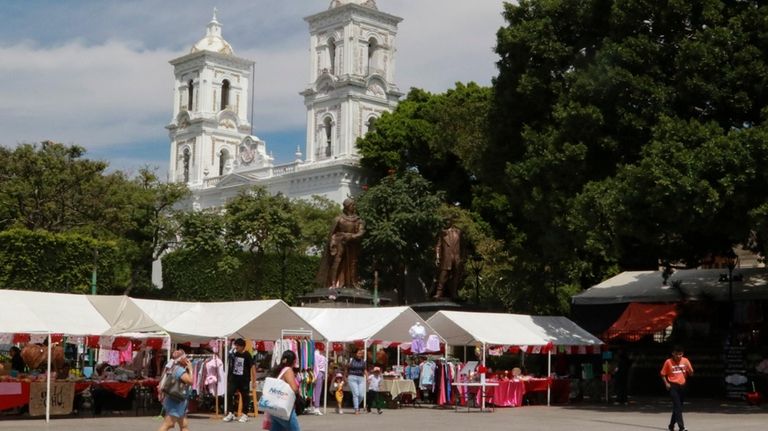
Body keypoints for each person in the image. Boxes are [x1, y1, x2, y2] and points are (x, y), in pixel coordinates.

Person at [317, 198, 365, 289]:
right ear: (347, 207)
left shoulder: (358, 220)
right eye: (352, 205)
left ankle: (353, 283)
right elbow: (332, 234)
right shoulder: (339, 219)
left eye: (354, 205)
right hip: (339, 244)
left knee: (353, 263)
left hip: (352, 245)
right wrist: (333, 243)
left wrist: (351, 236)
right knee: (337, 262)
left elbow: (361, 232)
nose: (354, 207)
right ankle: (333, 283)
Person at [157, 350, 193, 431]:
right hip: (176, 401)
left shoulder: (172, 367)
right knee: (168, 424)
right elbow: (190, 381)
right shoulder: (179, 370)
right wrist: (191, 369)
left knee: (184, 425)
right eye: (185, 358)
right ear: (181, 359)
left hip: (177, 400)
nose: (187, 360)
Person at [660, 346, 694, 431]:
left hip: (682, 385)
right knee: (678, 406)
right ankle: (681, 427)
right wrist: (666, 383)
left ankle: (671, 425)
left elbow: (691, 373)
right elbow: (663, 374)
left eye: (680, 354)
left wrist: (689, 370)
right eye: (676, 354)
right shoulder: (668, 362)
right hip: (673, 386)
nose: (678, 356)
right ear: (673, 353)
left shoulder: (685, 360)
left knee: (678, 407)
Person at [223, 338, 254, 423]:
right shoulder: (234, 354)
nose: (236, 347)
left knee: (245, 396)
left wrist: (254, 381)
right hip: (234, 378)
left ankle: (245, 414)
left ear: (242, 346)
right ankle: (231, 413)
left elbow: (253, 367)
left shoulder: (247, 355)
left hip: (244, 379)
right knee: (229, 393)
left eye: (238, 345)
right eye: (235, 345)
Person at [269, 350, 301, 431]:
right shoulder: (288, 370)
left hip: (275, 409)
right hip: (285, 409)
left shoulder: (280, 370)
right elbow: (294, 388)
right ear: (294, 361)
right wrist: (298, 392)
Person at [433, 218, 463, 299]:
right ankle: (439, 293)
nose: (446, 223)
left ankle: (454, 293)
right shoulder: (442, 233)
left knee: (456, 277)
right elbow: (438, 246)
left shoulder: (459, 232)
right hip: (446, 258)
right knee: (443, 275)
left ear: (451, 222)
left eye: (448, 221)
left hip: (456, 258)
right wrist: (437, 257)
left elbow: (463, 246)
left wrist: (463, 258)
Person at [346, 349, 367, 414]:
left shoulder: (363, 361)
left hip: (361, 378)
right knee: (356, 394)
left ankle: (356, 405)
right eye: (358, 353)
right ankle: (356, 409)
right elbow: (347, 369)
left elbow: (364, 370)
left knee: (361, 395)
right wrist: (344, 377)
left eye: (361, 353)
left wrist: (368, 377)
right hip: (352, 377)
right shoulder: (351, 360)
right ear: (355, 354)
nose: (359, 355)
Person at [311, 347, 327, 415]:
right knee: (317, 390)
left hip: (318, 372)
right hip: (318, 373)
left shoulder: (317, 354)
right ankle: (316, 407)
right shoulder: (317, 354)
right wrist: (316, 375)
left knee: (315, 390)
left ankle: (314, 406)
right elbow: (316, 366)